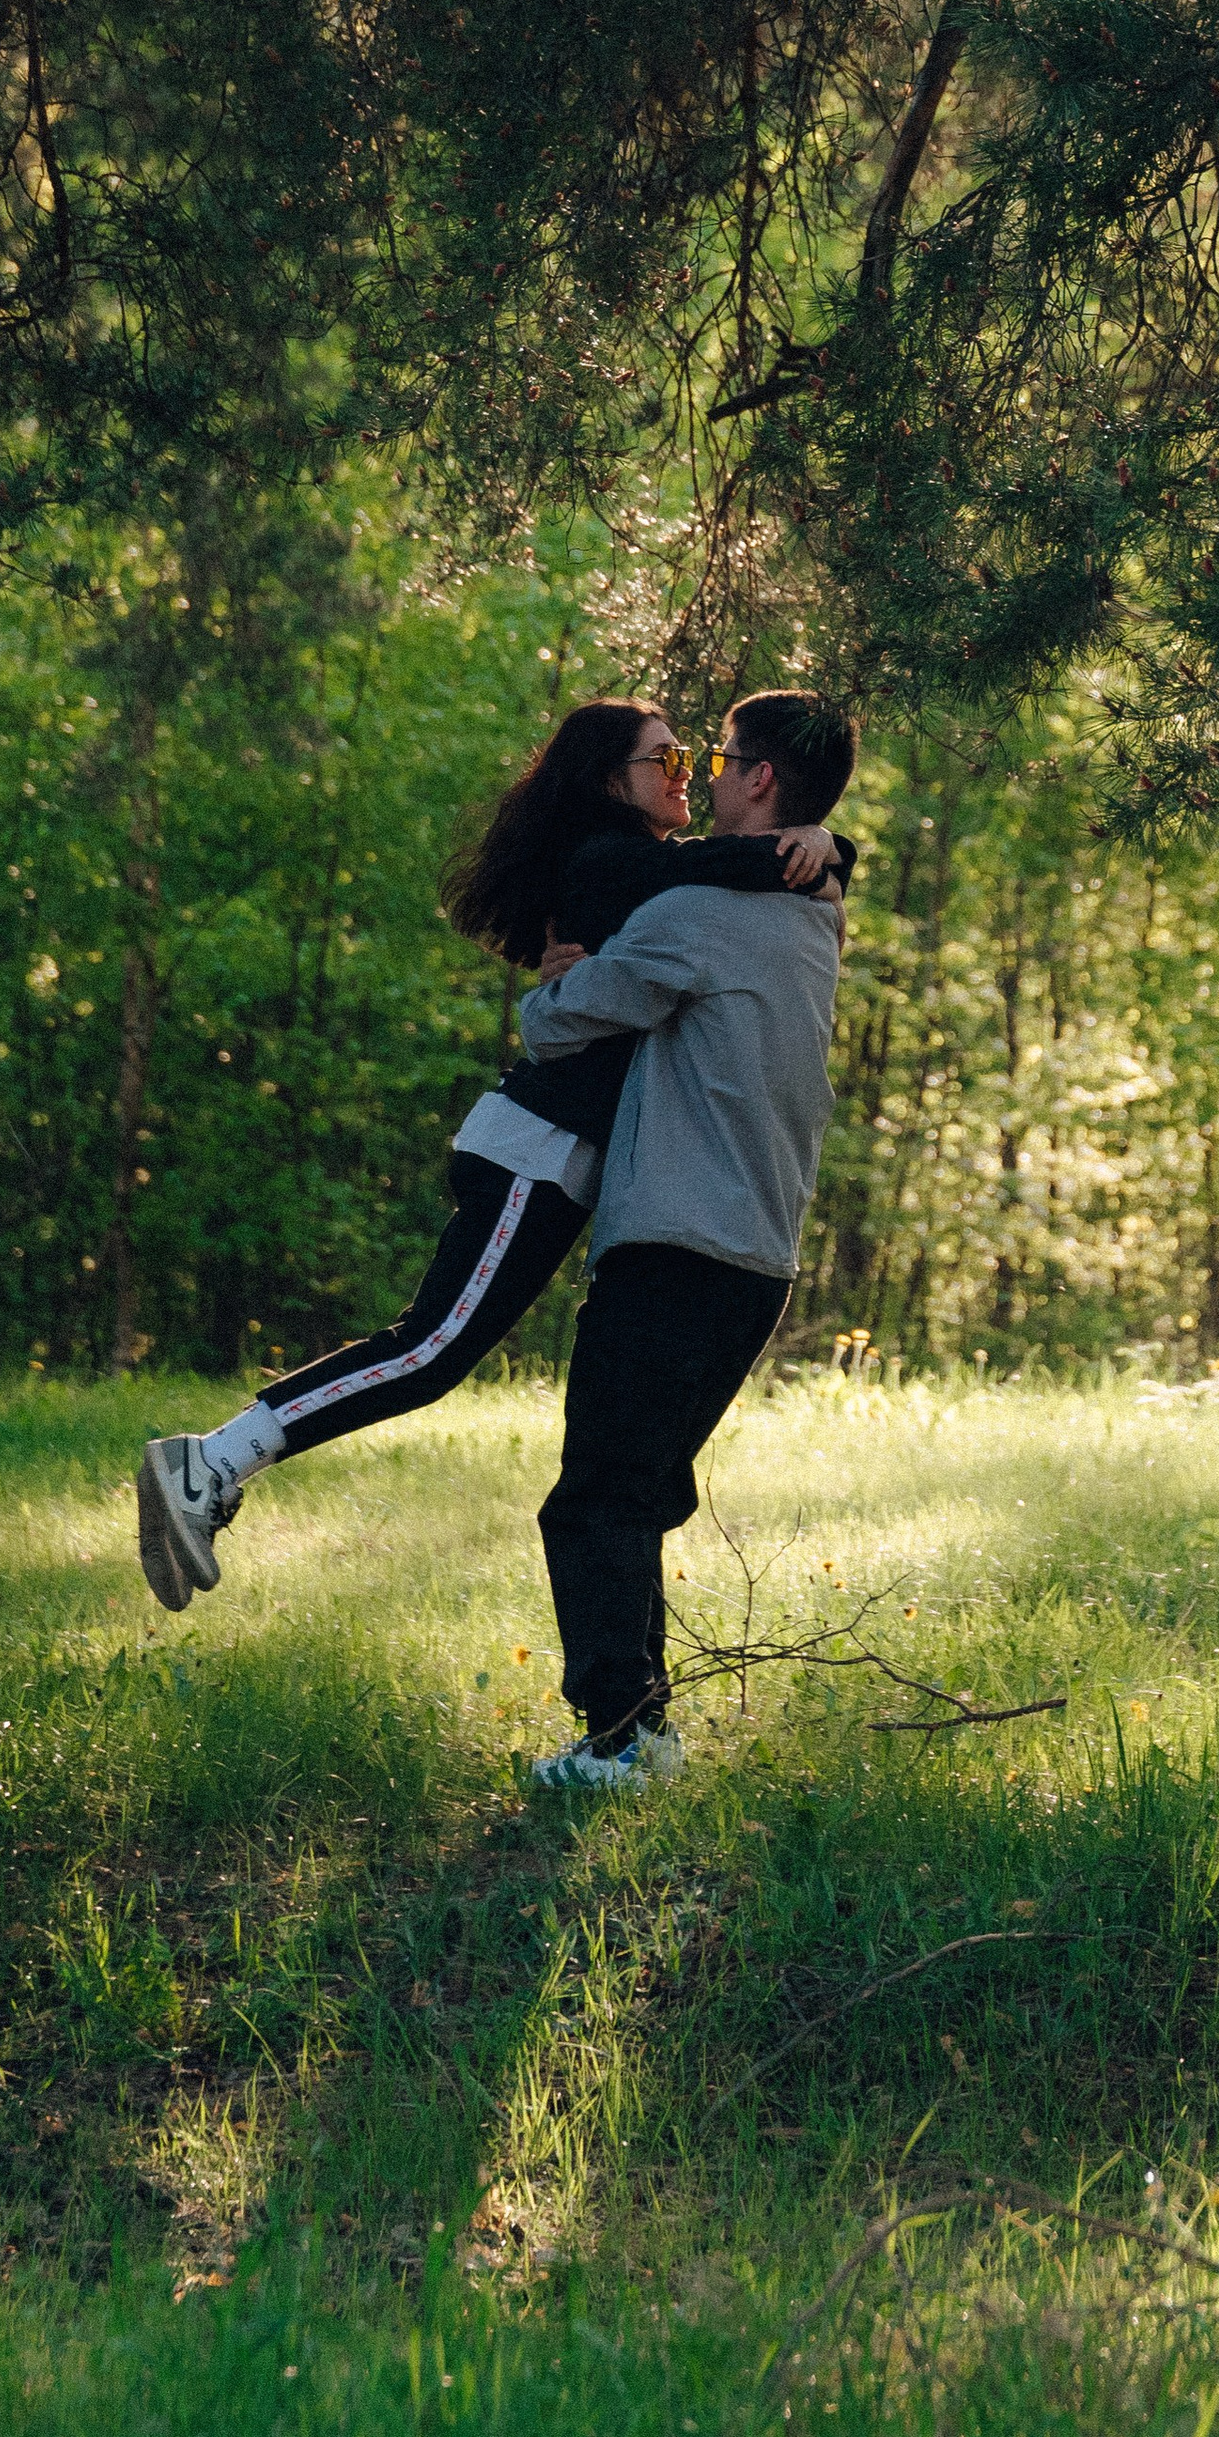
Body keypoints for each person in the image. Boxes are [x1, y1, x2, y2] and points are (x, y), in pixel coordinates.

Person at [132, 697, 847, 1613]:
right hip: (538, 1151)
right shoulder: (614, 861)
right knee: (431, 1347)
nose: (687, 777)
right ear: (608, 783)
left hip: (562, 1160)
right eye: (668, 762)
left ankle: (216, 1463)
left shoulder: (650, 871)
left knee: (436, 1351)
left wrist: (826, 850)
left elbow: (736, 882)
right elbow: (733, 869)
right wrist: (825, 850)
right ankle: (213, 1461)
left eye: (697, 762)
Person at [521, 685, 860, 1792]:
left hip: (676, 1241)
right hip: (756, 1255)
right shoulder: (812, 901)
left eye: (717, 757)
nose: (701, 775)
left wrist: (559, 981)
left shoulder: (697, 912)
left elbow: (555, 1017)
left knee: (599, 1494)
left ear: (759, 778)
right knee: (639, 1489)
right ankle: (641, 1731)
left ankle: (622, 1741)